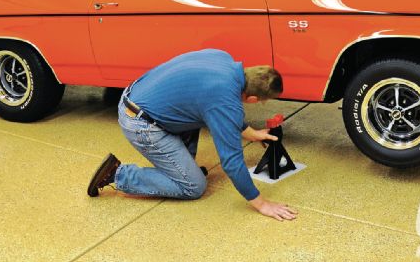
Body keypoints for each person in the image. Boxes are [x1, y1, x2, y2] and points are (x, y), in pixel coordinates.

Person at [87, 48, 298, 221]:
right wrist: (261, 204)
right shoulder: (224, 101)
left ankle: (182, 168)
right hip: (141, 123)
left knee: (199, 112)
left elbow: (219, 105)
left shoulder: (222, 58)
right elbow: (232, 162)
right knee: (193, 186)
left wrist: (251, 133)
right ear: (252, 99)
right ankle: (118, 174)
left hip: (137, 97)